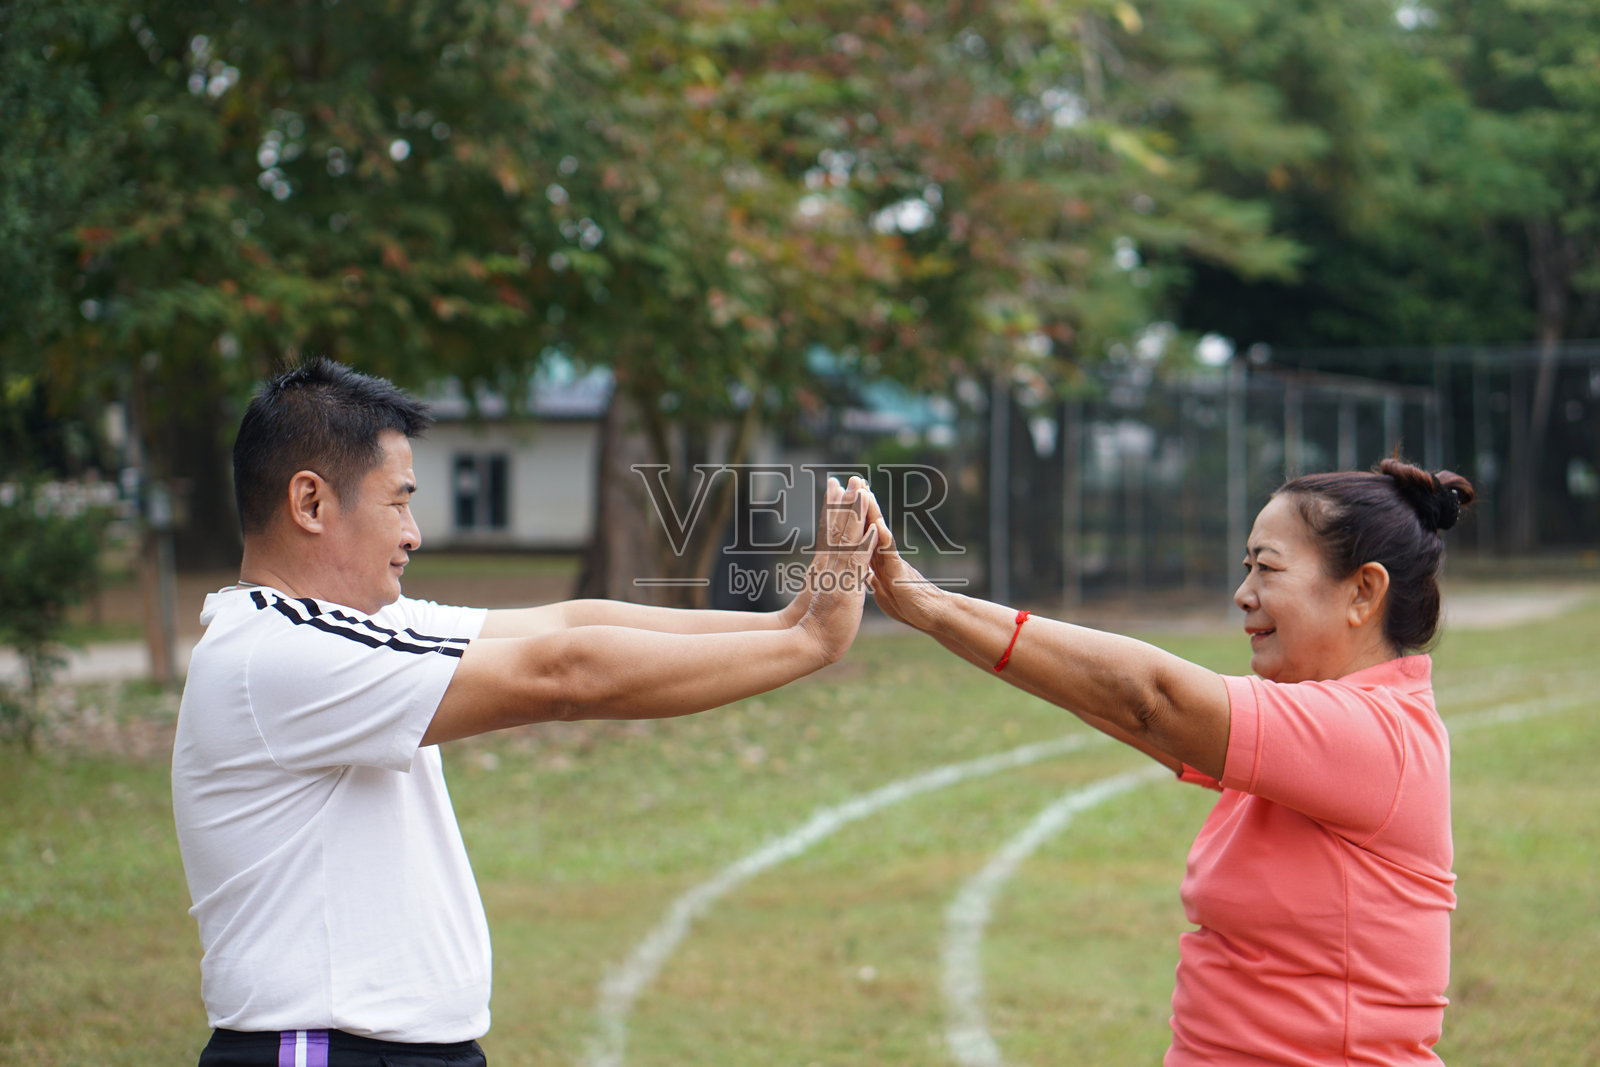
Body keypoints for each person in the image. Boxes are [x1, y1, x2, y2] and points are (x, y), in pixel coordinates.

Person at [171, 358, 878, 1067]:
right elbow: (563, 674)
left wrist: (789, 620)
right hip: (322, 1051)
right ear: (311, 503)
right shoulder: (282, 655)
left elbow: (567, 622)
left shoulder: (338, 628)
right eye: (398, 501)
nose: (414, 533)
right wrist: (809, 647)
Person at [864, 457, 1475, 1065]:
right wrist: (933, 617)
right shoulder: (1321, 724)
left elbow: (1150, 699)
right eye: (1246, 568)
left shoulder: (1374, 733)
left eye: (1266, 568)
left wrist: (932, 605)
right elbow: (1118, 705)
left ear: (1363, 592)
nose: (1243, 594)